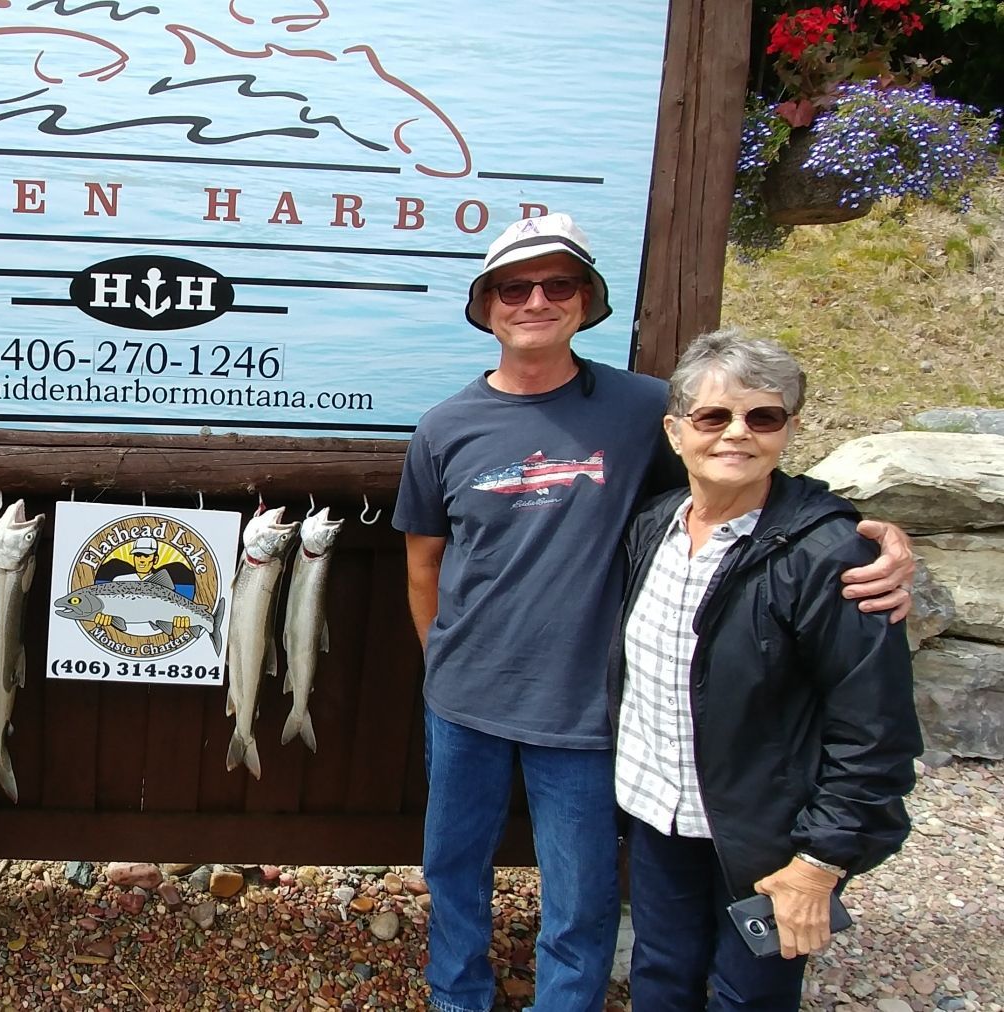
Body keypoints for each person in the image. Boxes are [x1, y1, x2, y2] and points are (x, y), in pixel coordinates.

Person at [392, 213, 914, 1012]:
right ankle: (455, 995)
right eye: (514, 287)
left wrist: (869, 535)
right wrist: (445, 660)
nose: (536, 300)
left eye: (557, 284)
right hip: (462, 703)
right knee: (453, 867)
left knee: (581, 892)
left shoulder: (644, 409)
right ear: (486, 306)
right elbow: (423, 562)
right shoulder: (443, 427)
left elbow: (745, 477)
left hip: (589, 711)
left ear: (587, 301)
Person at [614, 330, 919, 1010]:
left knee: (747, 997)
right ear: (675, 431)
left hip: (767, 841)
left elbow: (876, 731)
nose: (737, 434)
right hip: (659, 814)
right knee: (659, 976)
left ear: (789, 428)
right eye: (713, 417)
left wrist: (820, 863)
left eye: (763, 417)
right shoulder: (653, 527)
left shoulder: (832, 557)